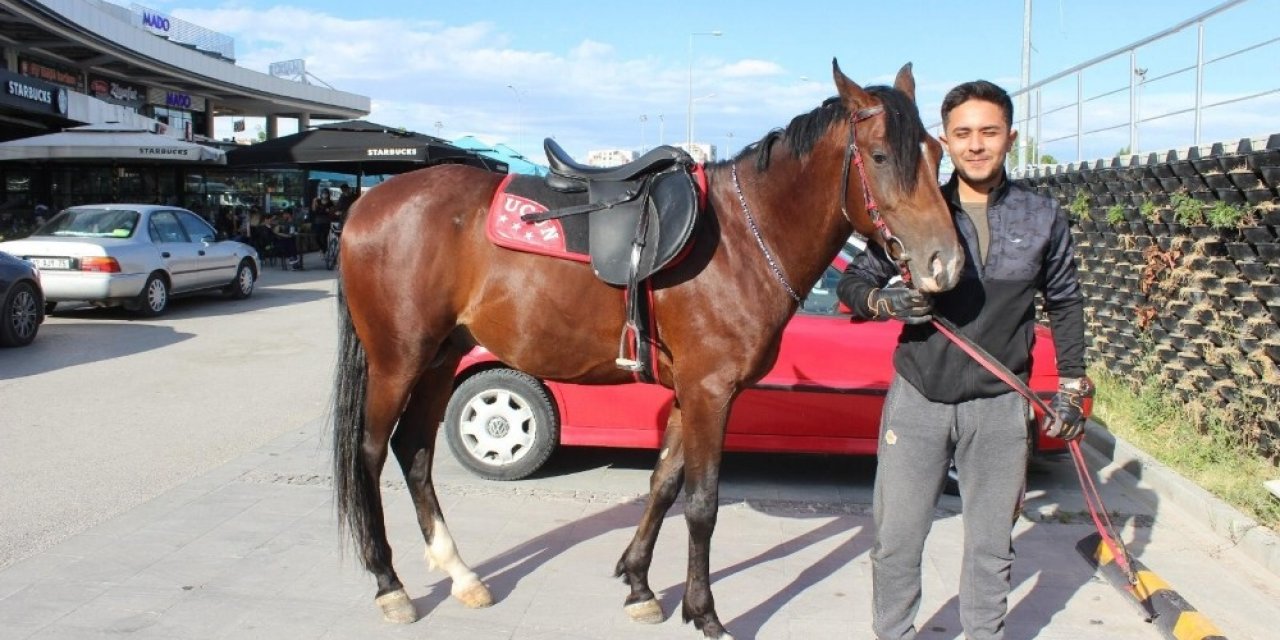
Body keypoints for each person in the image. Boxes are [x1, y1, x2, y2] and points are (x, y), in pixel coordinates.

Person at [836, 80, 1091, 640]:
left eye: (989, 132)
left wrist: (1072, 386)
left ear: (1011, 138)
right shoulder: (916, 205)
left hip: (1000, 407)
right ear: (945, 142)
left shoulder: (1042, 216)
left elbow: (1066, 301)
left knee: (990, 547)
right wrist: (884, 301)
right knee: (898, 541)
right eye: (963, 133)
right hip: (919, 398)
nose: (976, 145)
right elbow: (854, 281)